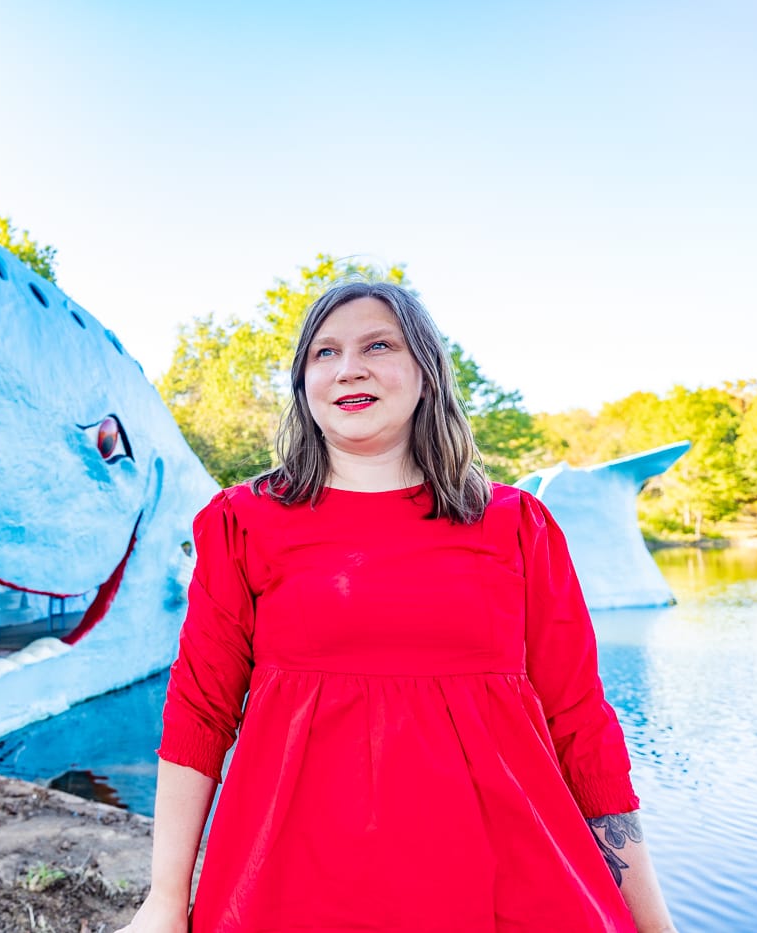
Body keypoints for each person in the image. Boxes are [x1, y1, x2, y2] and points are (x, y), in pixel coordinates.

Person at [118, 282, 676, 932]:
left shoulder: (518, 526)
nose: (347, 366)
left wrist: (653, 918)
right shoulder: (244, 523)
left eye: (377, 344)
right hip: (286, 892)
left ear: (426, 372)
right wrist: (165, 897)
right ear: (303, 384)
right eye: (323, 352)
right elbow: (199, 714)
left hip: (510, 890)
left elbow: (584, 729)